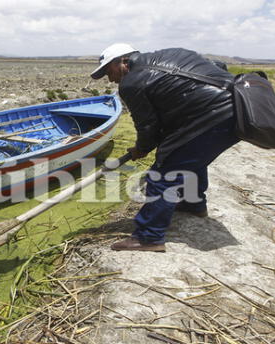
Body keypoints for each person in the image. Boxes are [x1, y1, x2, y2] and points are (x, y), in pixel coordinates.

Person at [90, 43, 240, 252]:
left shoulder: (132, 82)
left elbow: (148, 126)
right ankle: (193, 204)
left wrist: (141, 149)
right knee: (191, 159)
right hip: (234, 109)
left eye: (109, 71)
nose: (111, 79)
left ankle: (149, 237)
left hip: (213, 116)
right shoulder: (168, 56)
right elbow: (215, 68)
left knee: (163, 174)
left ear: (123, 62)